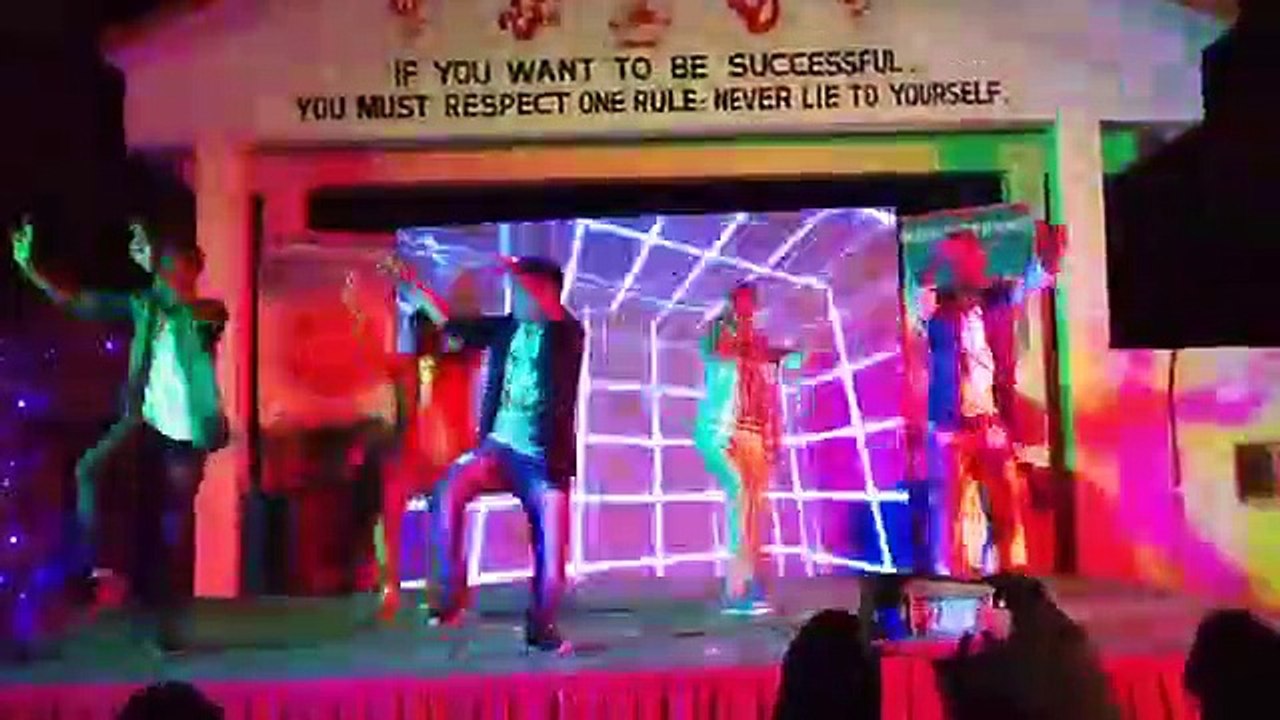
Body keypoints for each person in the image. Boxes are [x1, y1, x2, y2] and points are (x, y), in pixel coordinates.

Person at [12, 218, 228, 654]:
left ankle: (165, 627)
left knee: (169, 532)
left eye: (175, 267)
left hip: (186, 436)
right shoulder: (144, 305)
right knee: (89, 470)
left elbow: (184, 316)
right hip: (143, 423)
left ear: (192, 271)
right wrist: (33, 269)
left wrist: (153, 270)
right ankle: (98, 571)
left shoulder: (207, 312)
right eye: (165, 267)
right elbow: (82, 303)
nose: (168, 275)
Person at [418, 256, 583, 653]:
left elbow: (556, 316)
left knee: (552, 559)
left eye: (526, 292)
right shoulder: (505, 329)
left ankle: (541, 628)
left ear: (546, 294)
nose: (517, 300)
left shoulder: (567, 334)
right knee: (448, 490)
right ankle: (450, 599)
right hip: (497, 451)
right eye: (515, 293)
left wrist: (524, 276)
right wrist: (416, 291)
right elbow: (451, 325)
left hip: (543, 462)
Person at [912, 228, 1059, 577]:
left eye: (972, 256)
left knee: (1007, 508)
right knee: (950, 514)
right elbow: (921, 293)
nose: (968, 264)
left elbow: (1036, 278)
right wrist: (938, 257)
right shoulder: (939, 310)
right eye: (959, 259)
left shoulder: (998, 299)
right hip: (950, 426)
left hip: (990, 423)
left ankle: (1009, 576)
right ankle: (952, 580)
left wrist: (1049, 255)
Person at [342, 267, 484, 621]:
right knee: (388, 517)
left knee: (447, 528)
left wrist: (412, 284)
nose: (425, 337)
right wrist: (357, 312)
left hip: (449, 459)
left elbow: (448, 323)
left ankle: (450, 595)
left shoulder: (462, 362)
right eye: (420, 332)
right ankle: (390, 588)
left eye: (429, 331)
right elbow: (372, 352)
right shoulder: (407, 367)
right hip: (411, 455)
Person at [695, 282, 801, 615]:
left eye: (751, 304)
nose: (748, 310)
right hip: (727, 431)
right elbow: (723, 351)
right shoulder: (720, 333)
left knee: (755, 512)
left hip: (755, 433)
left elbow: (769, 382)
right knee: (741, 504)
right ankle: (738, 588)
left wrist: (774, 438)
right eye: (742, 303)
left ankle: (749, 585)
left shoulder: (756, 343)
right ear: (732, 304)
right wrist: (764, 350)